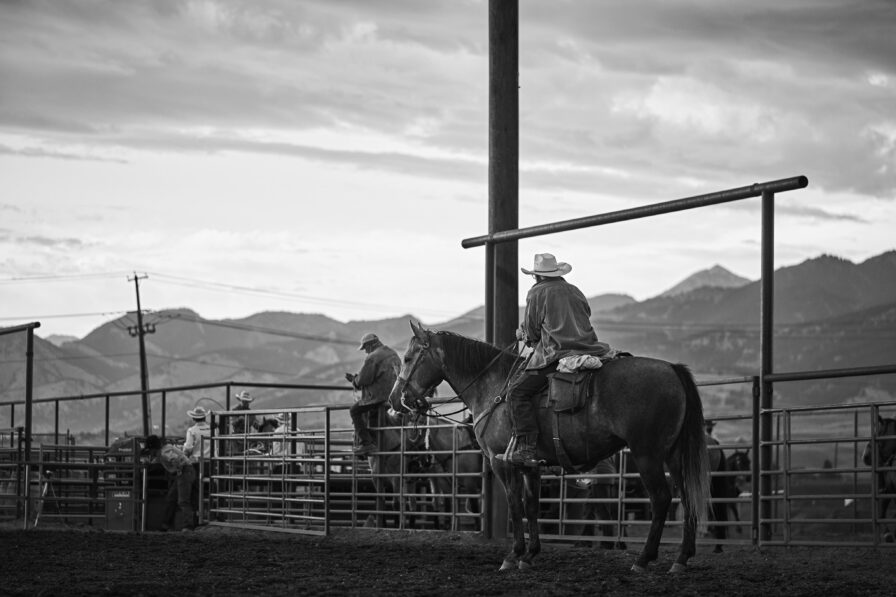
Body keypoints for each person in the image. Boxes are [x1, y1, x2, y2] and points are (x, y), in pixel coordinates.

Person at [496, 253, 608, 468]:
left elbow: (532, 332)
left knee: (517, 393)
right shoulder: (575, 291)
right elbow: (584, 316)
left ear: (537, 276)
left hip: (555, 354)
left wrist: (523, 335)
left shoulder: (537, 292)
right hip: (590, 349)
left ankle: (526, 448)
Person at [346, 332, 401, 456]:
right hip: (393, 397)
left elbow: (363, 380)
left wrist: (354, 380)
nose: (365, 351)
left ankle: (367, 443)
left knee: (354, 411)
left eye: (365, 348)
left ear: (370, 345)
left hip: (377, 397)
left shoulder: (373, 357)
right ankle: (376, 441)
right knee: (373, 417)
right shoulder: (393, 353)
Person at [144, 434, 196, 532]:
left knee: (182, 501)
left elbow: (176, 460)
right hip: (184, 472)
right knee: (171, 498)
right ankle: (166, 525)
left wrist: (178, 469)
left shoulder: (164, 452)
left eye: (150, 450)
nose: (150, 453)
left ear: (153, 449)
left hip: (184, 472)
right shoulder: (163, 451)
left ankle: (188, 526)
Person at [183, 405, 212, 524]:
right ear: (204, 418)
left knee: (195, 493)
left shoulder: (192, 430)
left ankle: (196, 518)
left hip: (196, 464)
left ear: (194, 418)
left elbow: (188, 448)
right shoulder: (213, 429)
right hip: (211, 464)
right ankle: (212, 516)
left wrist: (184, 453)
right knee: (210, 491)